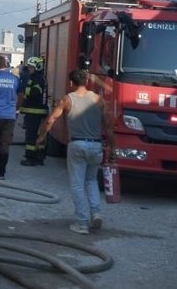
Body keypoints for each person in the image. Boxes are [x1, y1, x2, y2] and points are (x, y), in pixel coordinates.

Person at [36, 69, 115, 235]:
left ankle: (82, 223)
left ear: (71, 83)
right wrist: (112, 147)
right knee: (91, 180)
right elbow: (108, 125)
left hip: (77, 145)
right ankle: (96, 213)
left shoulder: (67, 99)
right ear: (87, 82)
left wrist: (42, 137)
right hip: (96, 146)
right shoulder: (98, 100)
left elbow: (51, 119)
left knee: (77, 184)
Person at [17, 56, 49, 166]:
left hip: (34, 112)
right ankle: (40, 157)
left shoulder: (36, 78)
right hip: (38, 111)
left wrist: (25, 90)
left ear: (37, 67)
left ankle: (30, 158)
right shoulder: (40, 77)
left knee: (31, 136)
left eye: (31, 67)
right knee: (39, 136)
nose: (29, 69)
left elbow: (35, 93)